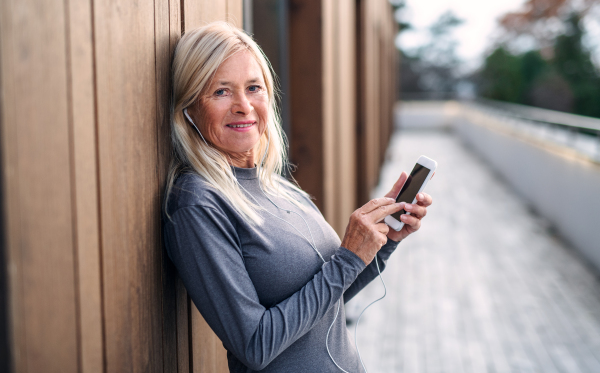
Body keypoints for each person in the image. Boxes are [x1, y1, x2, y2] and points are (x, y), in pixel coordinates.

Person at [164, 21, 433, 373]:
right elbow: (255, 345)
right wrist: (349, 257)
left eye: (253, 87)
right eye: (220, 91)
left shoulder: (277, 184)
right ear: (189, 107)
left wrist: (383, 241)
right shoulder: (198, 204)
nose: (244, 106)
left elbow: (329, 299)